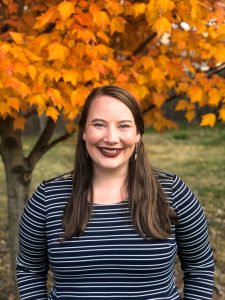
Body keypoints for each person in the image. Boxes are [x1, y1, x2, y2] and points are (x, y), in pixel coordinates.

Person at [17, 85, 214, 299]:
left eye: (124, 126)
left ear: (138, 133)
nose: (111, 138)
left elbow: (200, 267)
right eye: (99, 124)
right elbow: (30, 271)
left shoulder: (172, 193)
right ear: (84, 131)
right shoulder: (47, 199)